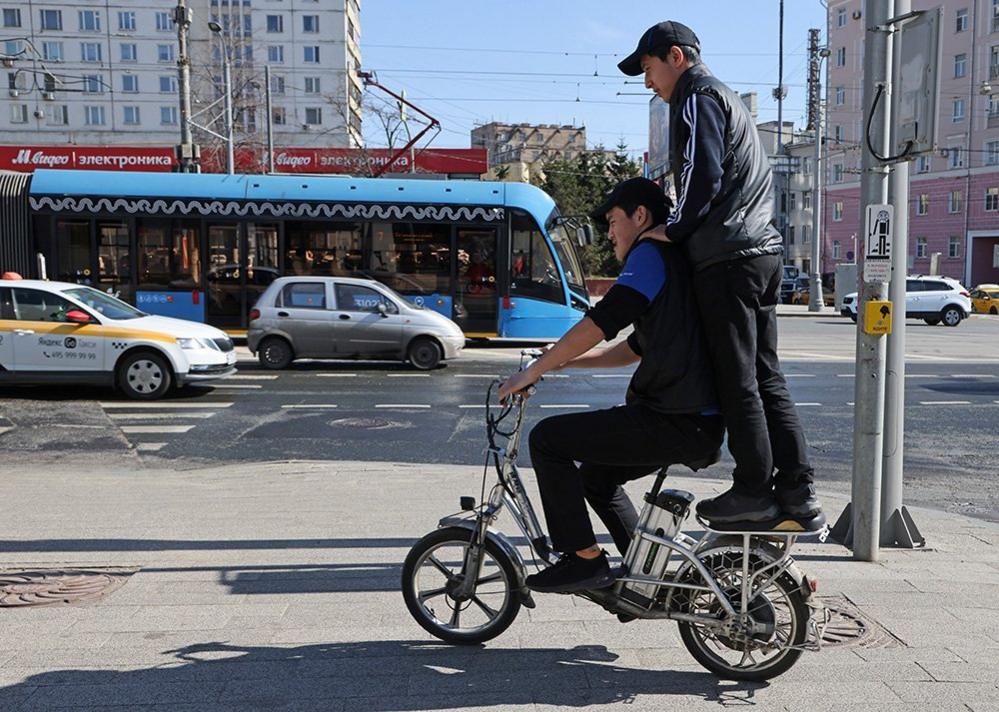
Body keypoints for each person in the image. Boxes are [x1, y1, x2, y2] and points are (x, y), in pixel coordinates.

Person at [616, 21, 821, 523]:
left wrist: (676, 228)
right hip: (760, 252)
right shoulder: (726, 99)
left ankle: (753, 489)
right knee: (765, 376)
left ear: (676, 57)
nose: (648, 83)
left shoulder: (696, 95)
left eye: (648, 69)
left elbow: (701, 173)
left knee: (737, 380)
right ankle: (796, 488)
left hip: (728, 257)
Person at [497, 177, 723, 594]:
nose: (609, 232)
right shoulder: (671, 265)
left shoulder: (651, 254)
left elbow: (604, 321)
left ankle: (584, 560)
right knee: (596, 479)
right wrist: (556, 364)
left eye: (613, 221)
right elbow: (630, 349)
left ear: (641, 216)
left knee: (549, 440)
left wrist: (534, 369)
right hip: (688, 420)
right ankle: (643, 581)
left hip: (675, 417)